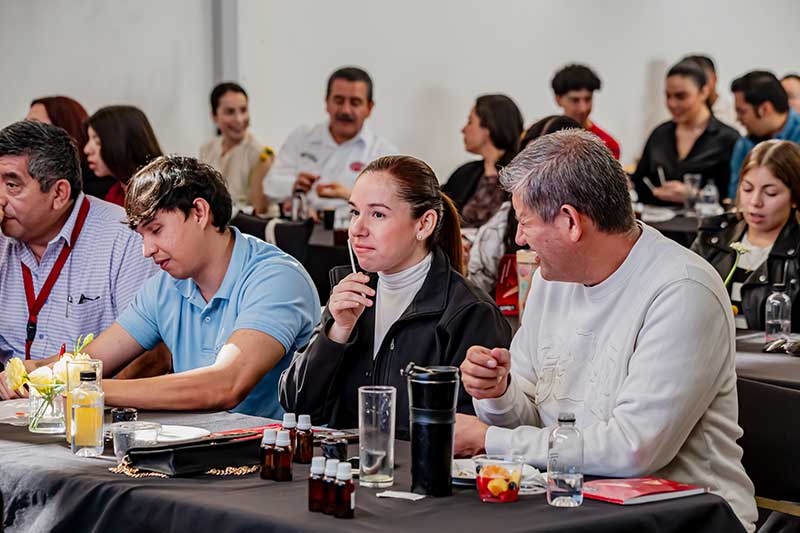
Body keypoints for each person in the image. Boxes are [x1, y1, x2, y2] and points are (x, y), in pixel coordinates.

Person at [454, 129, 757, 532]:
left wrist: (488, 439)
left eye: (524, 222)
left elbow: (634, 449)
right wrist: (497, 393)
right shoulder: (551, 280)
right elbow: (533, 419)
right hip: (574, 505)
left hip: (687, 518)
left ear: (570, 222)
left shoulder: (683, 289)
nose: (519, 238)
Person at [4, 155, 321, 417]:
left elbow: (226, 384)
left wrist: (90, 388)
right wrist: (33, 371)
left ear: (199, 212)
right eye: (142, 236)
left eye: (156, 230)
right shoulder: (166, 287)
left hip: (276, 460)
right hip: (196, 449)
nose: (147, 250)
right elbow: (92, 358)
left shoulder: (276, 278)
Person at [280, 155, 512, 438]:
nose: (357, 230)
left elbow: (470, 434)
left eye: (377, 215)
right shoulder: (350, 293)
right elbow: (297, 407)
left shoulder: (471, 312)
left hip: (418, 466)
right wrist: (336, 333)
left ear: (424, 224)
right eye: (354, 212)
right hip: (344, 463)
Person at [0, 120, 155, 392]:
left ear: (59, 194)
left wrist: (80, 400)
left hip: (90, 405)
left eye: (12, 185)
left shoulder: (125, 238)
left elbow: (150, 356)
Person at [693, 140, 800, 331]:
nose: (755, 201)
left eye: (771, 193)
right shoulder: (712, 236)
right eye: (747, 189)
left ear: (795, 197)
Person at [468, 115, 580, 296]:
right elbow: (476, 289)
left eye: (538, 170)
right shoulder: (502, 224)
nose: (520, 239)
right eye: (525, 168)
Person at [263, 67, 397, 213]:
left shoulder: (384, 154)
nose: (345, 110)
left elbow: (393, 205)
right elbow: (269, 186)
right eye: (339, 101)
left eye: (355, 102)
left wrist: (349, 195)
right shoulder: (301, 137)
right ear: (327, 102)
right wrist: (294, 186)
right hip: (299, 224)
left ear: (369, 108)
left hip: (352, 227)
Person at [631, 60, 739, 206]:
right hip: (656, 219)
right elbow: (640, 182)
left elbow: (735, 198)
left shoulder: (728, 139)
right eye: (668, 96)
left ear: (704, 92)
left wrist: (694, 195)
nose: (672, 104)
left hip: (707, 220)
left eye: (681, 96)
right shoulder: (659, 134)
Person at [442, 94, 523, 227]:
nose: (463, 130)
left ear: (488, 128)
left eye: (470, 122)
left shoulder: (522, 177)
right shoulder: (465, 173)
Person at [199, 82, 274, 215]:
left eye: (243, 110)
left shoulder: (261, 156)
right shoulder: (207, 149)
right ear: (214, 116)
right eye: (230, 112)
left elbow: (258, 211)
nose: (239, 119)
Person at [25, 96, 113, 200]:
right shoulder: (34, 174)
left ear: (64, 128)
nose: (25, 133)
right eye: (25, 125)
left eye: (35, 125)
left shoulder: (97, 183)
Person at [729, 71, 800, 198]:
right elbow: (736, 196)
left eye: (742, 112)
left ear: (764, 109)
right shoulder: (744, 144)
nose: (738, 119)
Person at [84, 105, 163, 206]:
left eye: (97, 141)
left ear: (123, 142)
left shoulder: (163, 197)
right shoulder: (115, 194)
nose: (86, 149)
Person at [550, 64, 620, 159]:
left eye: (588, 99)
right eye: (575, 100)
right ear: (558, 100)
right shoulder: (543, 138)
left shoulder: (608, 145)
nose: (583, 108)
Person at [681, 54, 742, 132]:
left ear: (714, 78)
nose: (696, 86)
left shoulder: (735, 114)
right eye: (690, 81)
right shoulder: (678, 115)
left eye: (701, 80)